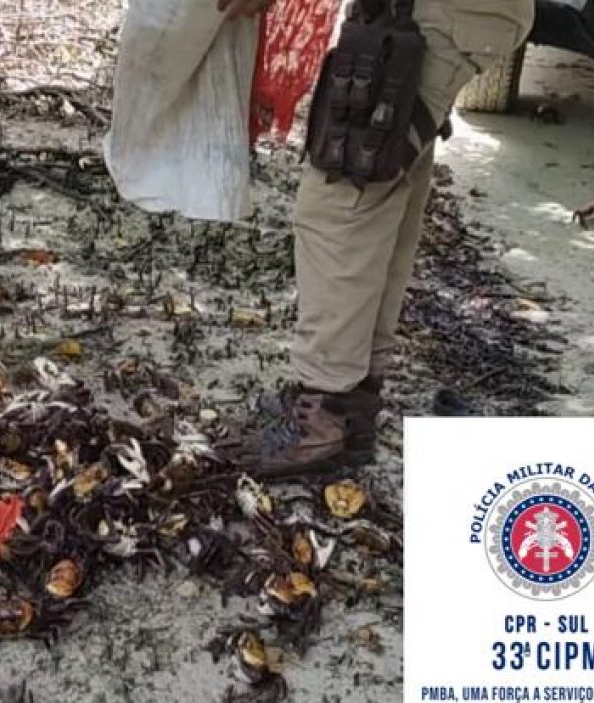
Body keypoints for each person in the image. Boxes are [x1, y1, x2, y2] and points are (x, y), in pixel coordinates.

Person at [221, 0, 535, 477]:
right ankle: (351, 405)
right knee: (383, 179)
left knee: (343, 197)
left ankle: (325, 415)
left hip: (447, 13)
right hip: (436, 12)